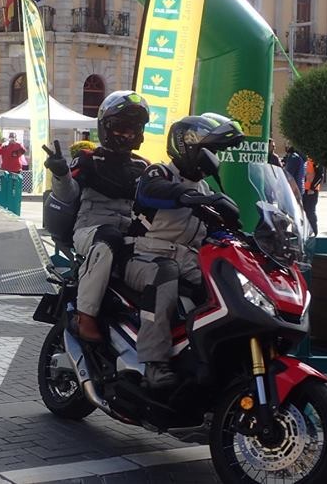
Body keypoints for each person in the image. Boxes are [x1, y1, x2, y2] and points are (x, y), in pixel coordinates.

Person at [126, 114, 241, 388]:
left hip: (185, 259)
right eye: (210, 150)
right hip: (143, 254)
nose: (214, 158)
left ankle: (206, 362)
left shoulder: (203, 188)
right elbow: (152, 192)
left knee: (227, 289)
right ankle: (154, 363)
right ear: (188, 145)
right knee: (164, 274)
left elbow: (215, 231)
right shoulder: (159, 173)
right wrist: (191, 198)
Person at [43, 90, 150, 343]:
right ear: (105, 127)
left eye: (132, 129)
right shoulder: (89, 159)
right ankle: (85, 316)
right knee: (108, 237)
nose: (126, 134)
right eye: (120, 127)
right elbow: (68, 195)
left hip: (128, 237)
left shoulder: (143, 166)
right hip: (90, 231)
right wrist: (60, 174)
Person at [303, 157, 324, 235]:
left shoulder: (316, 160)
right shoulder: (307, 159)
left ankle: (314, 230)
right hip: (304, 190)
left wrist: (312, 188)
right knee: (304, 211)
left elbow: (320, 175)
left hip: (312, 191)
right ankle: (306, 230)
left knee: (310, 211)